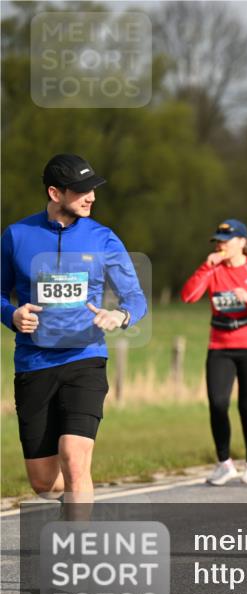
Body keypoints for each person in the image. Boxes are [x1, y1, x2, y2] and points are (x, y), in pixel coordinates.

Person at [1, 153, 147, 511]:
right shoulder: (17, 236)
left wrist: (121, 315)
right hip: (34, 363)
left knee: (74, 455)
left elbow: (136, 297)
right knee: (43, 483)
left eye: (93, 189)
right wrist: (12, 314)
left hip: (86, 359)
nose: (91, 197)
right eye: (81, 190)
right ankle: (80, 494)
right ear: (55, 193)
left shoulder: (104, 238)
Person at [181, 220, 247, 485]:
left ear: (241, 242)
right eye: (217, 241)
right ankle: (224, 464)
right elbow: (189, 296)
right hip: (220, 346)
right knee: (217, 404)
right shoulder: (213, 270)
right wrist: (207, 266)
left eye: (225, 240)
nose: (220, 245)